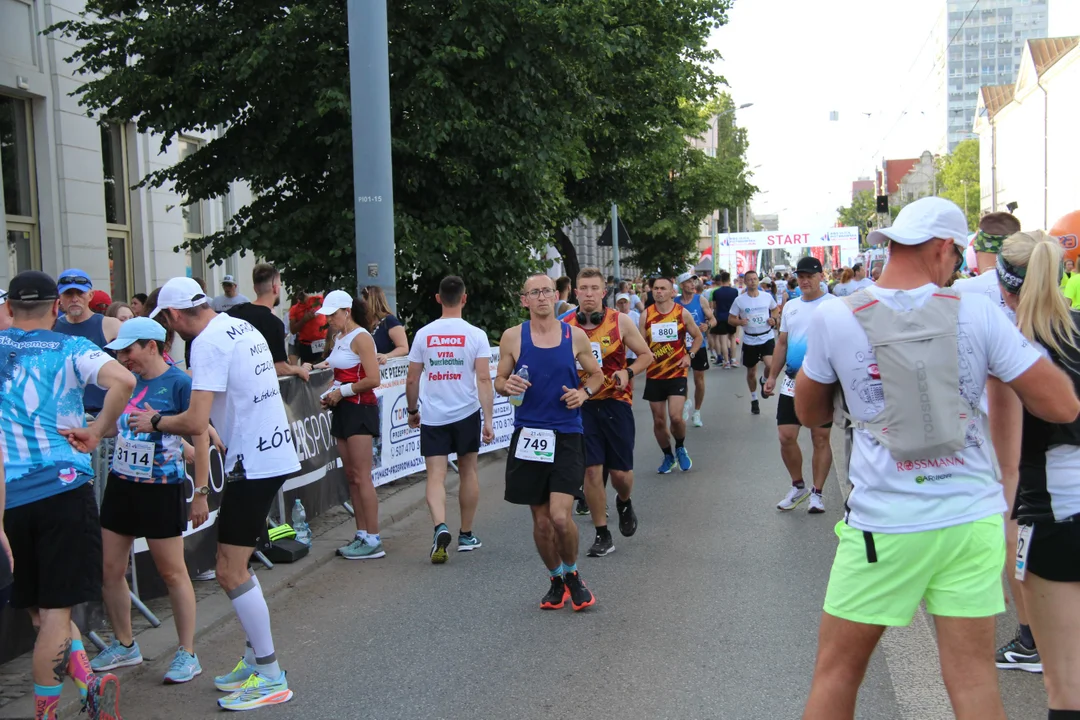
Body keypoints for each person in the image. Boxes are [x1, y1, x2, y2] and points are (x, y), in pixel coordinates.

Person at [795, 197, 1078, 720]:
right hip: (971, 519)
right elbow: (1060, 403)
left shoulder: (837, 314)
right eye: (957, 256)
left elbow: (810, 412)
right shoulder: (978, 312)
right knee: (972, 680)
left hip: (885, 523)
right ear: (944, 248)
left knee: (837, 673)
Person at [132, 276, 301, 711]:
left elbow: (193, 422)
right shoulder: (236, 324)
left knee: (228, 570)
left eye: (166, 322)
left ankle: (270, 672)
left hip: (253, 463)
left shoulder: (206, 342)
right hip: (265, 455)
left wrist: (153, 421)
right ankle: (253, 659)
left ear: (172, 315)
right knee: (236, 564)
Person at [5, 271, 136, 720]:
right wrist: (98, 430)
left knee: (42, 613)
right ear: (56, 307)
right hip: (60, 488)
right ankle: (46, 714)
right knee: (56, 613)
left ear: (10, 307)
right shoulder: (70, 346)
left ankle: (89, 686)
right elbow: (124, 381)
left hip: (7, 500)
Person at [90, 318, 210, 684]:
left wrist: (201, 492)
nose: (124, 359)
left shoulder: (179, 383)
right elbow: (113, 426)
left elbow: (199, 434)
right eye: (120, 352)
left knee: (172, 572)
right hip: (122, 483)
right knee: (110, 568)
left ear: (152, 346)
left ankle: (187, 652)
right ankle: (126, 644)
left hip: (162, 487)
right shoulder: (125, 382)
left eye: (129, 351)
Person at [992, 230, 1080, 714]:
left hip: (1055, 518)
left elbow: (1006, 463)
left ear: (1004, 288)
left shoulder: (1013, 351)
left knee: (1066, 688)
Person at [952, 212, 1038, 671]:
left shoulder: (968, 291)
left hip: (1000, 429)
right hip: (1056, 428)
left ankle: (1031, 638)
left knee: (1013, 528)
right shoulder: (1059, 296)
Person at [495, 274, 603, 611]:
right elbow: (498, 379)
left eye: (547, 291)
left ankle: (573, 574)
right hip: (529, 435)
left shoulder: (575, 335)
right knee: (541, 522)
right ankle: (556, 578)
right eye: (534, 293)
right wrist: (505, 385)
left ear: (556, 296)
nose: (542, 297)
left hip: (567, 432)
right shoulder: (513, 337)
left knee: (560, 516)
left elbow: (597, 375)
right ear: (524, 300)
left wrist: (583, 393)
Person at [405, 276, 494, 563]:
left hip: (433, 415)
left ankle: (439, 526)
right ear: (465, 299)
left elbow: (412, 379)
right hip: (466, 412)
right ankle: (466, 535)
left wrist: (412, 411)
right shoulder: (476, 334)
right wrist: (488, 420)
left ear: (438, 298)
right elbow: (483, 378)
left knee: (436, 476)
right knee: (468, 472)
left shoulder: (423, 334)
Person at [566, 269, 653, 557]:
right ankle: (602, 533)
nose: (588, 293)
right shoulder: (564, 325)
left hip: (616, 402)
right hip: (582, 405)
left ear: (604, 292)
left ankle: (624, 501)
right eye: (583, 288)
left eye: (594, 288)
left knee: (621, 474)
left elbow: (646, 356)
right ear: (575, 292)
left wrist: (628, 372)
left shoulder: (620, 321)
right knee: (591, 470)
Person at [763, 257, 837, 514]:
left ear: (821, 277)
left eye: (810, 276)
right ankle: (798, 487)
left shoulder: (834, 305)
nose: (805, 280)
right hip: (792, 382)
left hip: (822, 383)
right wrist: (773, 375)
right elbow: (782, 343)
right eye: (801, 276)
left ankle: (817, 493)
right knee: (786, 436)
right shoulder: (792, 307)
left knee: (819, 438)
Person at [315, 290, 385, 560]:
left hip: (360, 409)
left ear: (347, 311)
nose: (329, 320)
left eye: (333, 314)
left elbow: (373, 379)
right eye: (327, 315)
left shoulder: (362, 338)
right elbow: (336, 368)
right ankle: (362, 534)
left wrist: (340, 392)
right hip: (343, 409)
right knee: (351, 477)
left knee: (362, 475)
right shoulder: (339, 337)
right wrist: (330, 393)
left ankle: (374, 538)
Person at [641, 276, 702, 473]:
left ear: (672, 292)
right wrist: (643, 355)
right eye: (656, 289)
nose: (658, 292)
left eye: (663, 289)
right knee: (659, 421)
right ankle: (668, 456)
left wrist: (690, 355)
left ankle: (680, 447)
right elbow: (639, 343)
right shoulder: (646, 315)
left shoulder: (681, 313)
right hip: (655, 374)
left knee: (675, 417)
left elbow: (698, 336)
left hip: (677, 372)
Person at [54, 268, 123, 414]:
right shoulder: (52, 328)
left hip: (103, 413)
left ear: (90, 295)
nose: (74, 299)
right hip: (65, 414)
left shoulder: (110, 325)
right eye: (68, 293)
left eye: (80, 293)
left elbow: (131, 365)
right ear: (59, 298)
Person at [226, 264, 311, 382]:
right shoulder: (274, 323)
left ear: (255, 288)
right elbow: (279, 368)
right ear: (275, 288)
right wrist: (298, 370)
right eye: (280, 285)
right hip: (258, 388)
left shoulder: (233, 313)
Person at [728, 270, 778, 415]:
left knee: (770, 365)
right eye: (749, 279)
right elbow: (730, 319)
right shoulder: (740, 300)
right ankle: (754, 398)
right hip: (750, 339)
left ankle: (764, 379)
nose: (752, 281)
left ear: (758, 281)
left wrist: (773, 319)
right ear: (745, 282)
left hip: (766, 337)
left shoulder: (766, 297)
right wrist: (739, 321)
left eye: (755, 279)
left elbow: (775, 310)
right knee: (751, 372)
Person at [675, 272, 716, 428]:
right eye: (688, 282)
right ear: (681, 285)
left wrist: (708, 325)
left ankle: (697, 411)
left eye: (694, 281)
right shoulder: (675, 302)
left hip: (699, 345)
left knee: (699, 380)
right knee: (682, 378)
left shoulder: (701, 300)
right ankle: (686, 401)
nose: (693, 284)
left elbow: (713, 319)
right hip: (680, 346)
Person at [364, 285, 409, 363]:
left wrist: (387, 356)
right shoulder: (367, 323)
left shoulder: (389, 321)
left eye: (364, 302)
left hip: (387, 369)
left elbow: (404, 348)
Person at [710, 272, 740, 368]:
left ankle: (726, 361)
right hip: (732, 317)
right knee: (732, 338)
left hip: (720, 317)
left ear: (721, 280)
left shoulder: (716, 292)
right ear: (729, 279)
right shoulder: (734, 291)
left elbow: (714, 306)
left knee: (723, 340)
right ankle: (734, 360)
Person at [288, 292, 327, 365]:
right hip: (305, 345)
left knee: (323, 369)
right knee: (307, 370)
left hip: (321, 343)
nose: (301, 294)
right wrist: (304, 320)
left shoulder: (317, 300)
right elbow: (293, 330)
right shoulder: (294, 309)